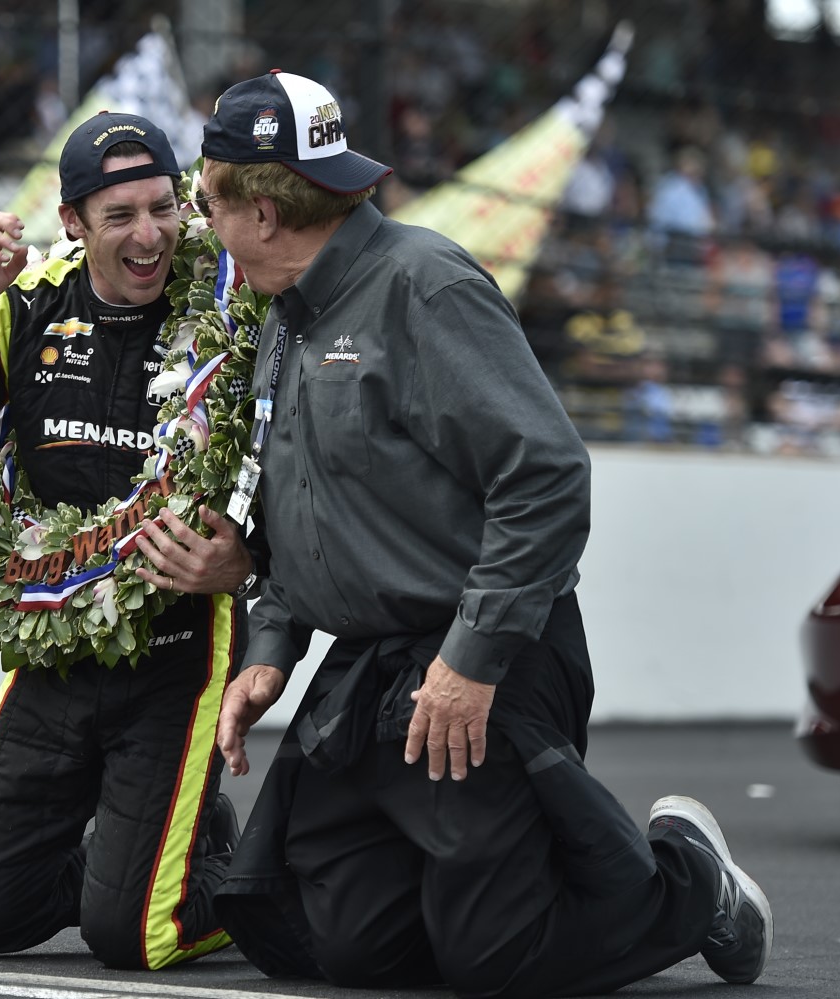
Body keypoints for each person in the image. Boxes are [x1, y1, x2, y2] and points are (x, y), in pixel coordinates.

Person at [198, 70, 773, 997]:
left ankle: (691, 881)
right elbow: (300, 511)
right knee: (346, 947)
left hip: (488, 651)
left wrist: (471, 660)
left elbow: (546, 477)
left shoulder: (424, 286)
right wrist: (272, 645)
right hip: (375, 668)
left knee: (495, 958)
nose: (208, 225)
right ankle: (493, 887)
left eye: (211, 202)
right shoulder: (281, 323)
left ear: (263, 212)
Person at [0, 112, 255, 971]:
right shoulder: (25, 312)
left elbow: (304, 470)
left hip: (179, 648)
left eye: (162, 208)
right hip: (60, 650)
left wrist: (248, 564)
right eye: (120, 216)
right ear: (72, 221)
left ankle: (260, 878)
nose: (149, 235)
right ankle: (140, 865)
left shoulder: (233, 306)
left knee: (136, 936)